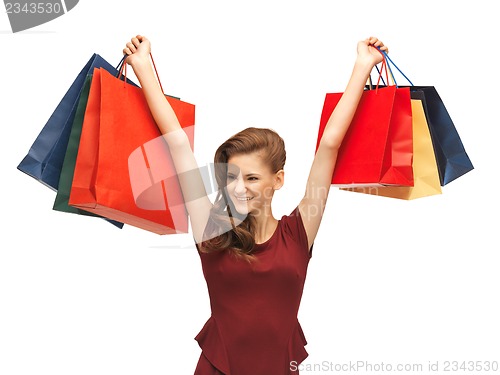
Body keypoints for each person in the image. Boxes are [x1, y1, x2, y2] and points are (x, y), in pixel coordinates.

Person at [123, 35, 388, 375]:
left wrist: (362, 66)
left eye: (251, 178)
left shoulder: (299, 229)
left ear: (278, 180)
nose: (238, 188)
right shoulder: (211, 228)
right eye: (231, 177)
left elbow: (330, 145)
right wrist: (144, 67)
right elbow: (177, 145)